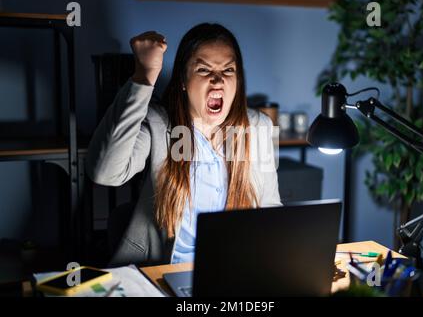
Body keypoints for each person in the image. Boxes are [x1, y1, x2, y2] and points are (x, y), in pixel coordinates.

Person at [86, 23, 281, 267]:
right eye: (203, 69)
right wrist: (144, 76)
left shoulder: (259, 127)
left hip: (234, 269)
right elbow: (105, 173)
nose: (218, 80)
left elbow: (270, 208)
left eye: (228, 70)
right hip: (165, 270)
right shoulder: (159, 123)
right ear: (183, 80)